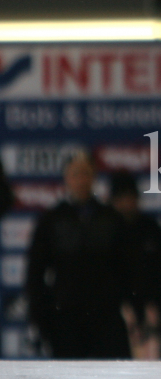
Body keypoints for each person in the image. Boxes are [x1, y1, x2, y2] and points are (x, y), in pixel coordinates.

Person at [25, 152, 132, 358]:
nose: (81, 180)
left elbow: (127, 267)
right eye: (75, 174)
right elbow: (35, 272)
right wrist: (40, 316)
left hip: (105, 318)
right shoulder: (52, 220)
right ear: (66, 178)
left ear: (94, 176)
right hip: (65, 319)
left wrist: (126, 302)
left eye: (85, 173)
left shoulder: (111, 219)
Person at [109, 171, 161, 360]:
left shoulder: (152, 231)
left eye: (130, 197)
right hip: (113, 323)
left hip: (152, 319)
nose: (126, 203)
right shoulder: (104, 233)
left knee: (150, 377)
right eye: (121, 198)